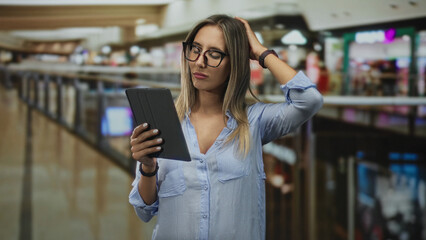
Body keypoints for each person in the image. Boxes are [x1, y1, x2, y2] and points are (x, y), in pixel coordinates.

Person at [129, 14, 323, 240]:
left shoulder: (254, 121)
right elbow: (143, 210)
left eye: (214, 54)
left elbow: (309, 100)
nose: (200, 62)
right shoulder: (166, 121)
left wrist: (261, 52)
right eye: (195, 49)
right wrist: (148, 168)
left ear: (235, 63)